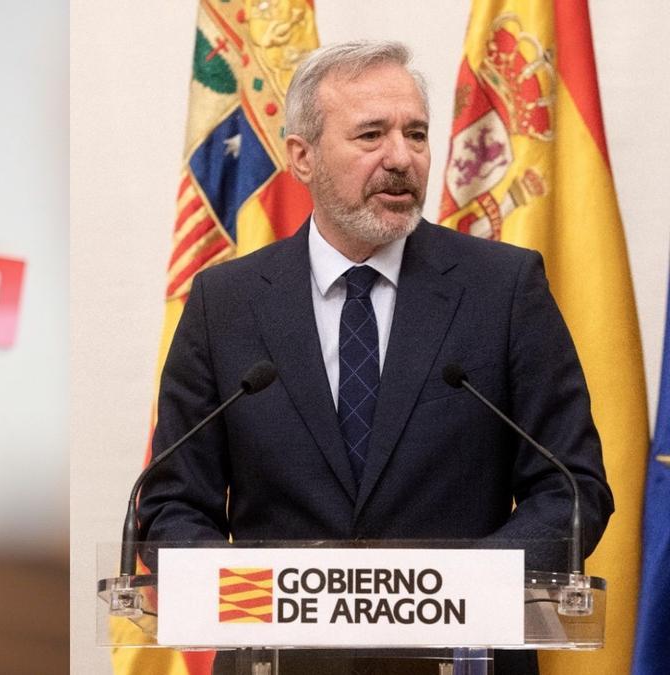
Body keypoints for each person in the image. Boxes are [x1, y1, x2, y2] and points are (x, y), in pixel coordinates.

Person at [137, 41, 612, 675]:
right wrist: (270, 601)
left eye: (416, 134)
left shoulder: (502, 288)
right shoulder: (226, 303)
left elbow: (572, 487)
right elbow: (170, 506)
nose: (401, 158)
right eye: (371, 135)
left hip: (459, 659)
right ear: (301, 157)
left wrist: (464, 590)